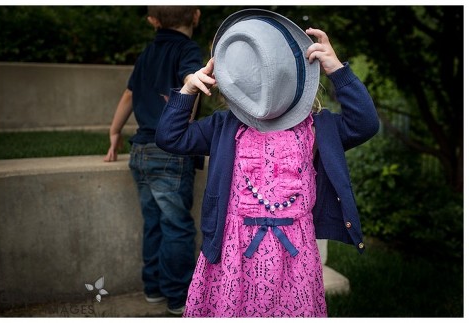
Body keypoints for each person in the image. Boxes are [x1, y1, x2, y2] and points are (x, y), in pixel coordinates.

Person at [155, 9, 379, 318]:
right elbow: (170, 137)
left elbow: (365, 123)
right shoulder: (224, 127)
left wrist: (338, 70)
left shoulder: (317, 127)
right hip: (232, 255)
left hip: (295, 257)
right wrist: (188, 91)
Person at [104, 6, 203, 316]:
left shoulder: (147, 53)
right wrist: (193, 83)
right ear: (196, 16)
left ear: (153, 21)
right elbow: (191, 77)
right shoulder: (188, 49)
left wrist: (114, 131)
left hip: (141, 150)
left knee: (154, 222)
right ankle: (177, 297)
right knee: (177, 226)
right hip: (170, 152)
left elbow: (128, 96)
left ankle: (153, 288)